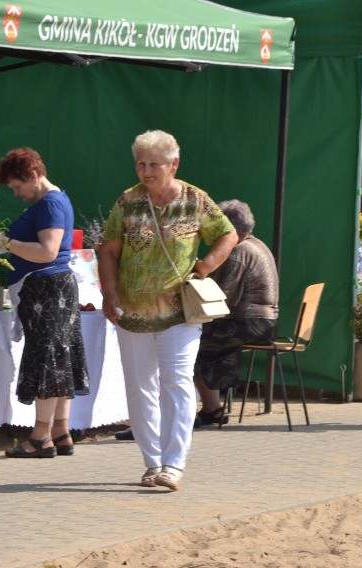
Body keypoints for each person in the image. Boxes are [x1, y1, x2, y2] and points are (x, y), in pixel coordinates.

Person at [98, 130, 238, 490]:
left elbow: (228, 234)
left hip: (180, 312)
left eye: (154, 164)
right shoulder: (127, 202)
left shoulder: (195, 200)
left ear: (173, 164)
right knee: (139, 387)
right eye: (140, 164)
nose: (146, 171)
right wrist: (109, 292)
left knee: (176, 382)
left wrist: (205, 265)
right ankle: (152, 463)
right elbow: (109, 251)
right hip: (132, 311)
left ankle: (174, 464)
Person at [0, 147, 89, 458]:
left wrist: (5, 243)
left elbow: (47, 251)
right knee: (59, 359)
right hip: (50, 289)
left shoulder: (51, 203)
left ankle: (41, 437)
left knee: (49, 361)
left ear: (32, 175)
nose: (17, 194)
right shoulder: (51, 202)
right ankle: (60, 431)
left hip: (47, 290)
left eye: (17, 186)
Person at [194, 199, 278, 427]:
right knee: (201, 338)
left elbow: (221, 298)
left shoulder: (238, 252)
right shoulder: (257, 244)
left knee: (190, 344)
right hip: (261, 322)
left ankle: (212, 409)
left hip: (250, 323)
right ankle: (213, 408)